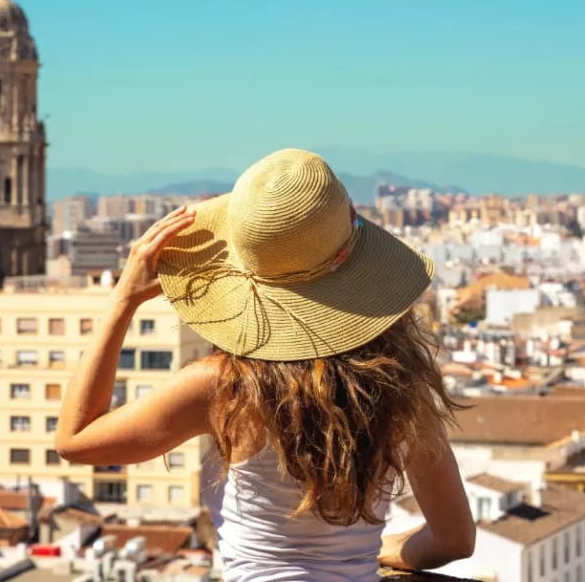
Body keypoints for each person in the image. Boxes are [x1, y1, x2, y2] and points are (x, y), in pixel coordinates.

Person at [56, 149, 475, 580]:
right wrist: (376, 554)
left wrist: (123, 298)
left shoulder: (226, 387)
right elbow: (454, 539)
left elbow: (76, 439)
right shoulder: (402, 388)